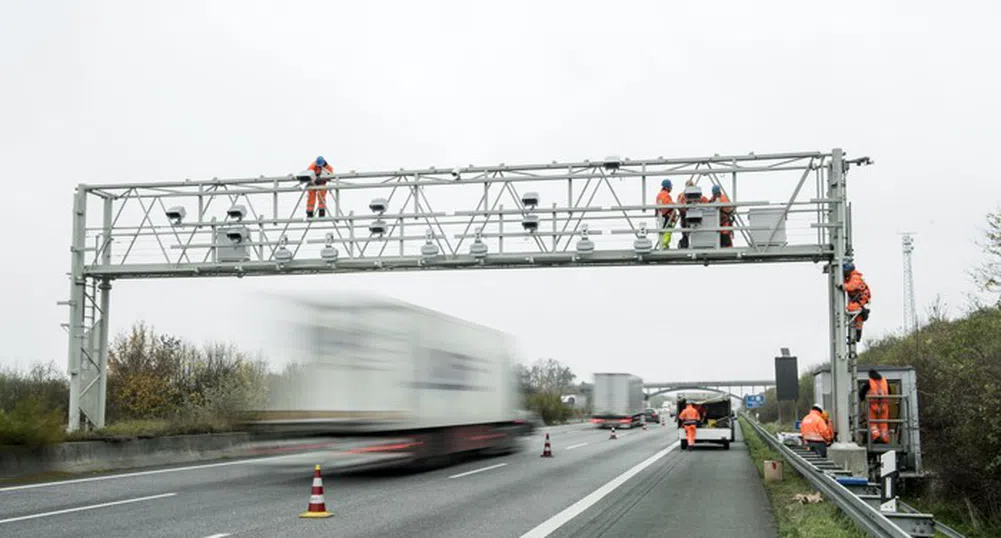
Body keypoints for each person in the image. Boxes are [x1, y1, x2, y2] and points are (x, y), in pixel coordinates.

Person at [840, 261, 872, 343]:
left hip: (861, 297)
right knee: (857, 317)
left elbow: (852, 286)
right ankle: (857, 335)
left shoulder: (855, 277)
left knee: (852, 308)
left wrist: (843, 286)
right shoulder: (850, 277)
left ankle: (862, 311)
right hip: (857, 298)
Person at [860, 369, 890, 444]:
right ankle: (884, 439)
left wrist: (862, 399)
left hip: (873, 405)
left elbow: (862, 392)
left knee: (873, 423)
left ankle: (876, 437)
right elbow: (889, 391)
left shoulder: (870, 382)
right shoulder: (884, 382)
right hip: (884, 406)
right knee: (883, 423)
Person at [677, 179, 708, 249]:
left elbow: (706, 203)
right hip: (688, 218)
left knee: (690, 234)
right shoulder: (682, 196)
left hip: (693, 219)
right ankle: (685, 244)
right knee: (687, 234)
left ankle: (687, 244)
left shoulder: (681, 196)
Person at [654, 179, 677, 249]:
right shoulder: (665, 195)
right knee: (667, 231)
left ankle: (664, 245)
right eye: (670, 187)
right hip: (667, 216)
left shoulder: (660, 194)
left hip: (662, 216)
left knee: (664, 231)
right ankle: (664, 245)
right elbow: (668, 204)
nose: (671, 188)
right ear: (667, 187)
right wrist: (676, 204)